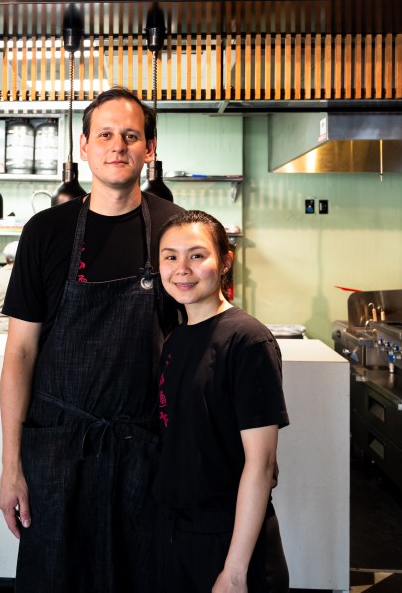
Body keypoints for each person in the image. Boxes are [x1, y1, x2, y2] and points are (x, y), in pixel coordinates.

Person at [0, 87, 183, 593]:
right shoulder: (45, 232)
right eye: (105, 135)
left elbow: (197, 344)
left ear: (149, 147)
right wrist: (11, 466)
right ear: (84, 146)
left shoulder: (176, 230)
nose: (117, 146)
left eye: (131, 136)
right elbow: (20, 353)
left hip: (146, 449)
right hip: (57, 450)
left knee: (143, 580)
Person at [155, 210, 290, 593]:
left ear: (226, 262)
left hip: (232, 545)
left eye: (197, 255)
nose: (182, 269)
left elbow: (261, 465)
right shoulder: (176, 338)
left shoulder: (247, 340)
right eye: (170, 256)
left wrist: (233, 573)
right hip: (179, 538)